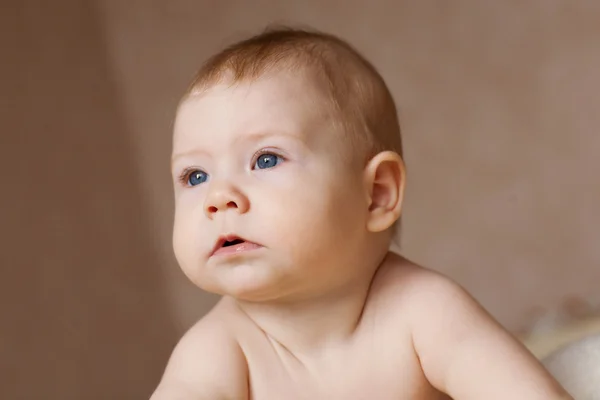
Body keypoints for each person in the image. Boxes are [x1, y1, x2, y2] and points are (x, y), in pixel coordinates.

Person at [152, 26, 572, 399]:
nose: (218, 197)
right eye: (194, 176)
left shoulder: (424, 311)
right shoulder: (219, 350)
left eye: (265, 159)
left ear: (376, 194)